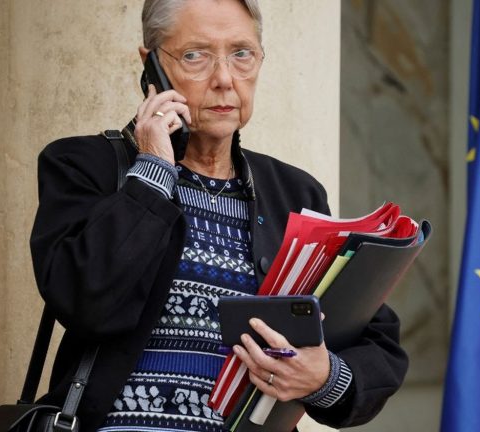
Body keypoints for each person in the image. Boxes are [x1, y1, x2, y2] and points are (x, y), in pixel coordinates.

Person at [30, 0, 408, 431]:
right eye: (195, 55)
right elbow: (84, 301)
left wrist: (323, 378)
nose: (225, 79)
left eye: (242, 54)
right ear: (151, 64)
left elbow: (375, 338)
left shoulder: (293, 194)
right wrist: (153, 170)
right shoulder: (84, 166)